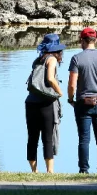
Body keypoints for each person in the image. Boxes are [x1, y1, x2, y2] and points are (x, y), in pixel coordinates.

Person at [68, 27, 97, 174]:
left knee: (84, 139)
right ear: (96, 40)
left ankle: (84, 169)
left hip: (82, 103)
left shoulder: (76, 58)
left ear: (82, 40)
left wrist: (70, 99)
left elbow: (72, 84)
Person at [26, 33, 64, 173]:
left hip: (31, 101)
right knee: (47, 137)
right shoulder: (52, 59)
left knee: (32, 136)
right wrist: (60, 92)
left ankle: (34, 171)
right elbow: (51, 79)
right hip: (46, 102)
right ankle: (50, 171)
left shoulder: (38, 60)